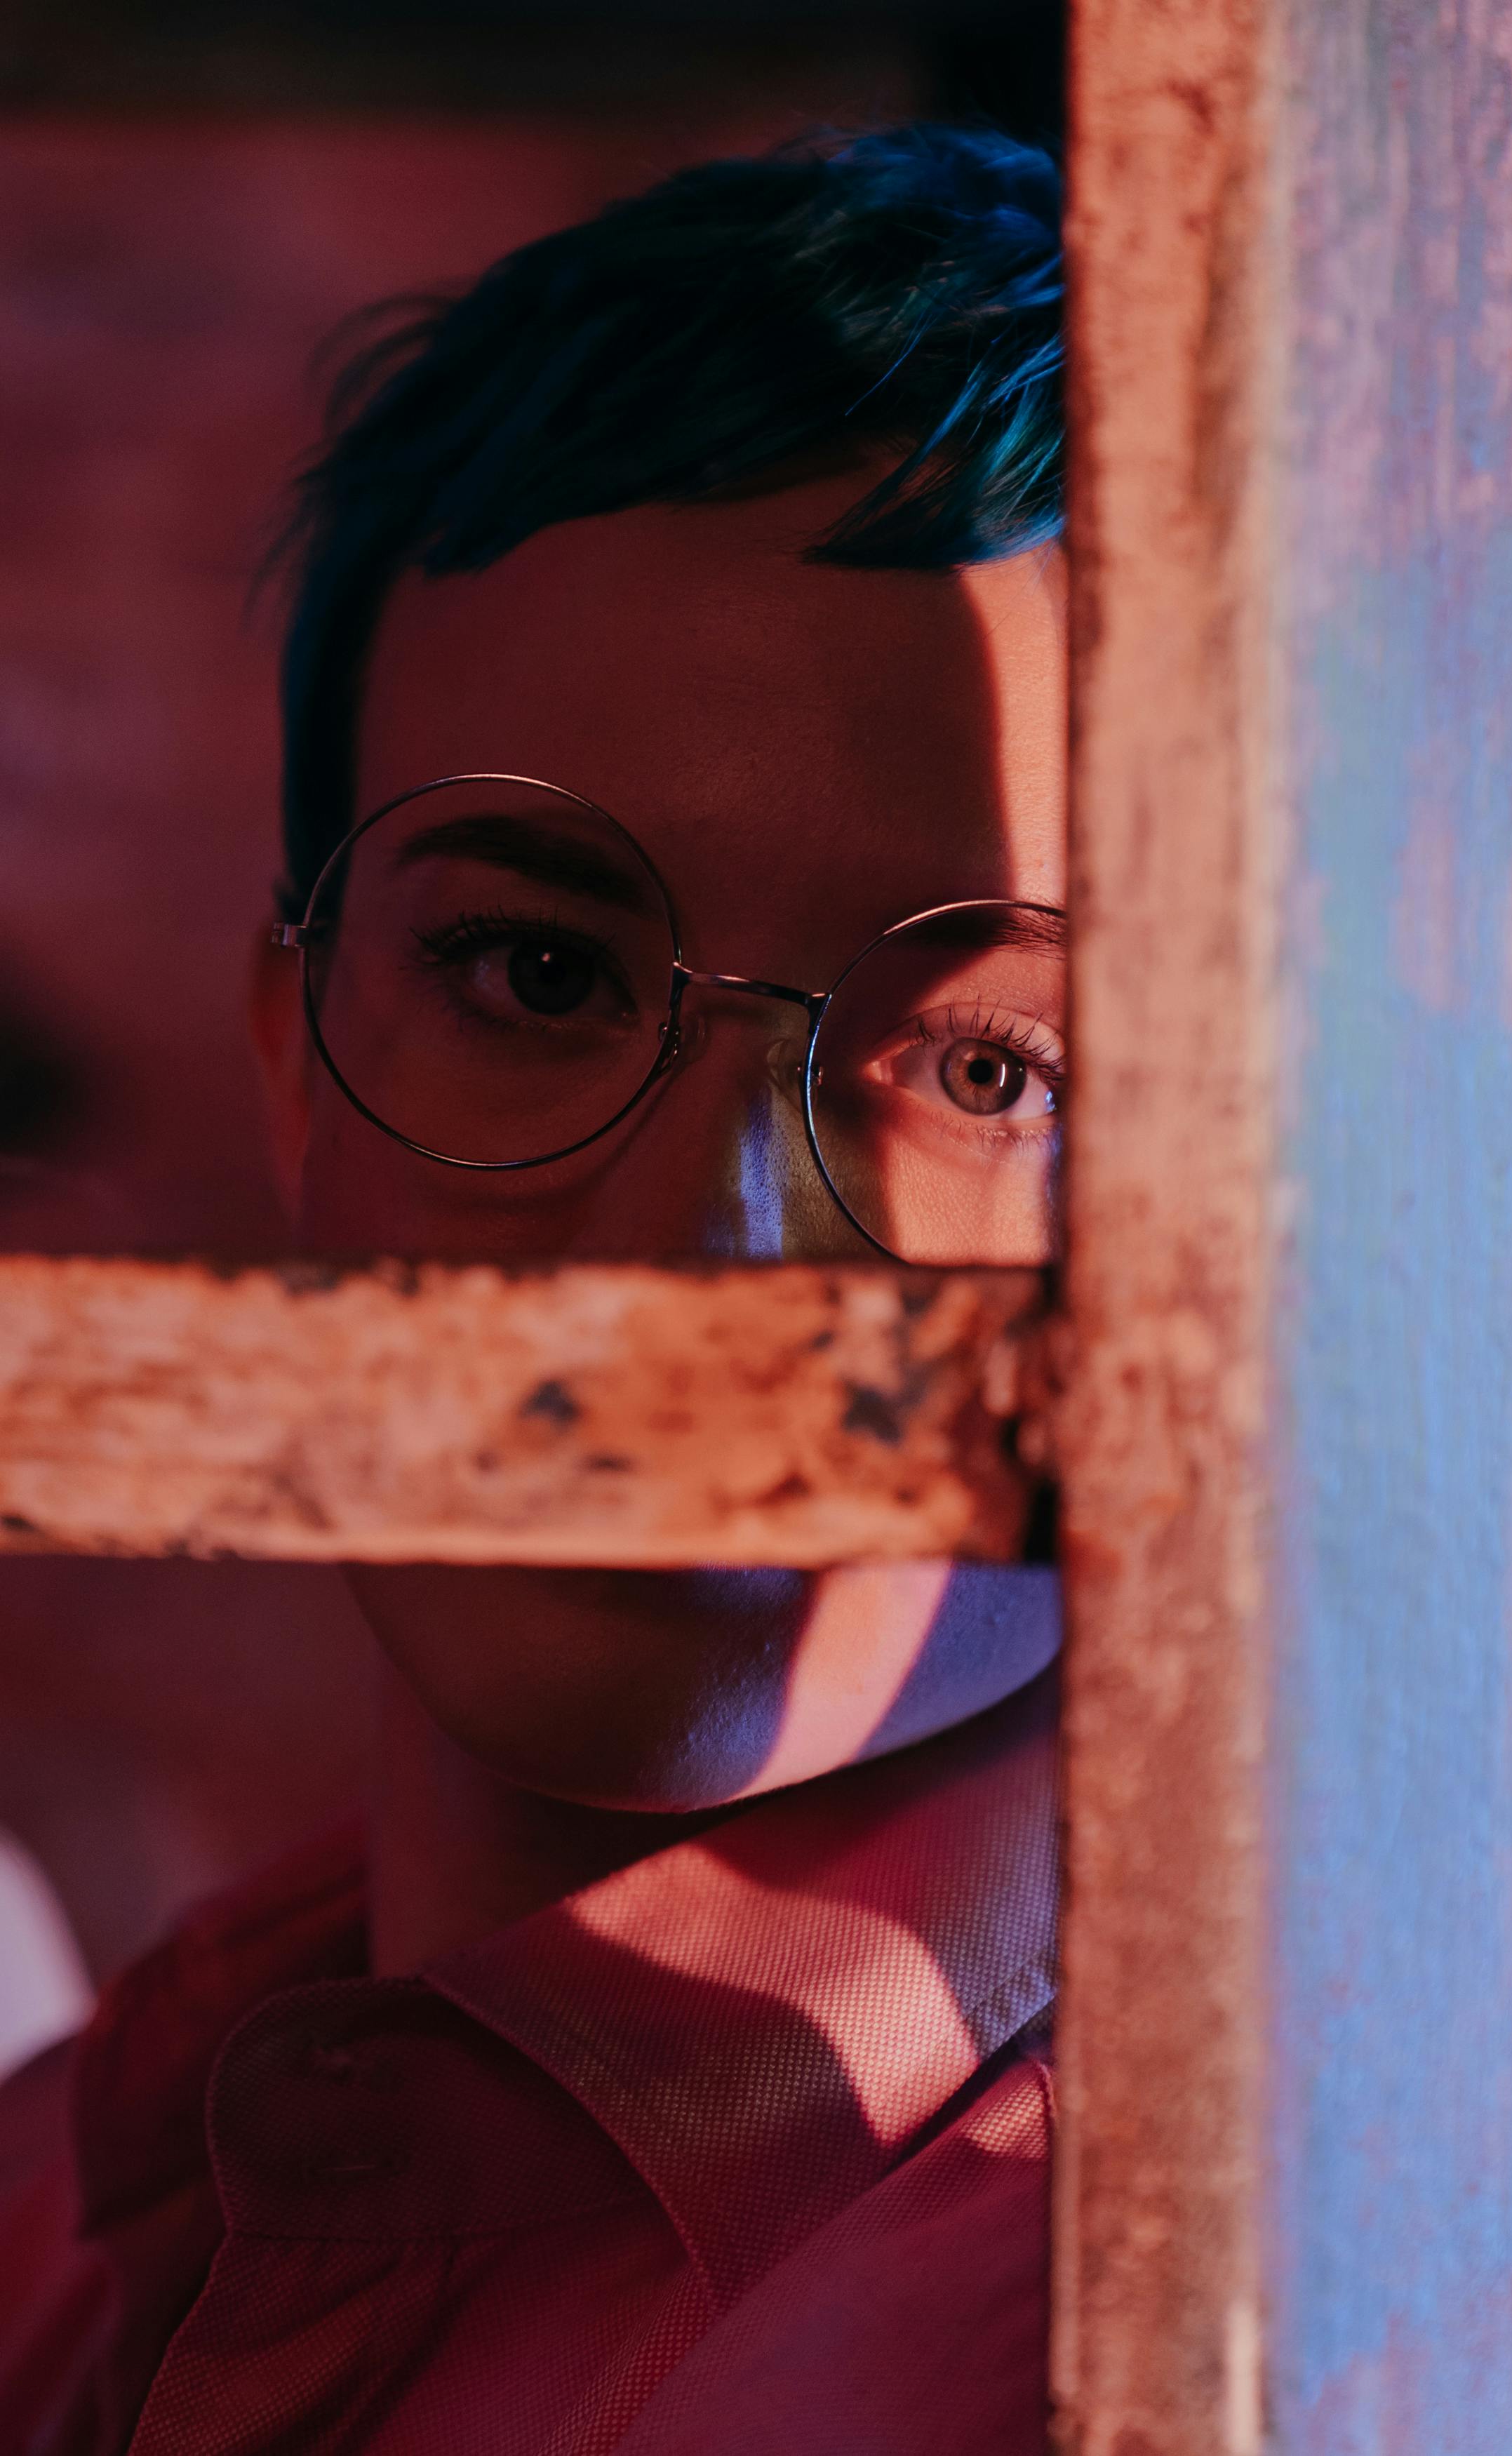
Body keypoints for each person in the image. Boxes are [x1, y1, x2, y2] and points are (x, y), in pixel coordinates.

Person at [0, 124, 1067, 2452]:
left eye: (988, 1061)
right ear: (298, 1054)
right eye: (535, 965)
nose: (699, 1242)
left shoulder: (1205, 2342)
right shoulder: (67, 2196)